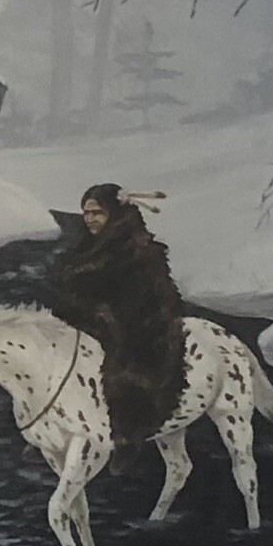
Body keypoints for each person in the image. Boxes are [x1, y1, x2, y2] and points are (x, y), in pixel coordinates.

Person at [51, 183, 187, 462]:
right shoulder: (86, 248)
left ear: (114, 213)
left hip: (141, 331)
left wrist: (106, 317)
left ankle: (126, 439)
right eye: (86, 213)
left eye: (97, 213)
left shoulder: (139, 251)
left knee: (124, 378)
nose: (90, 219)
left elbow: (148, 301)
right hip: (94, 325)